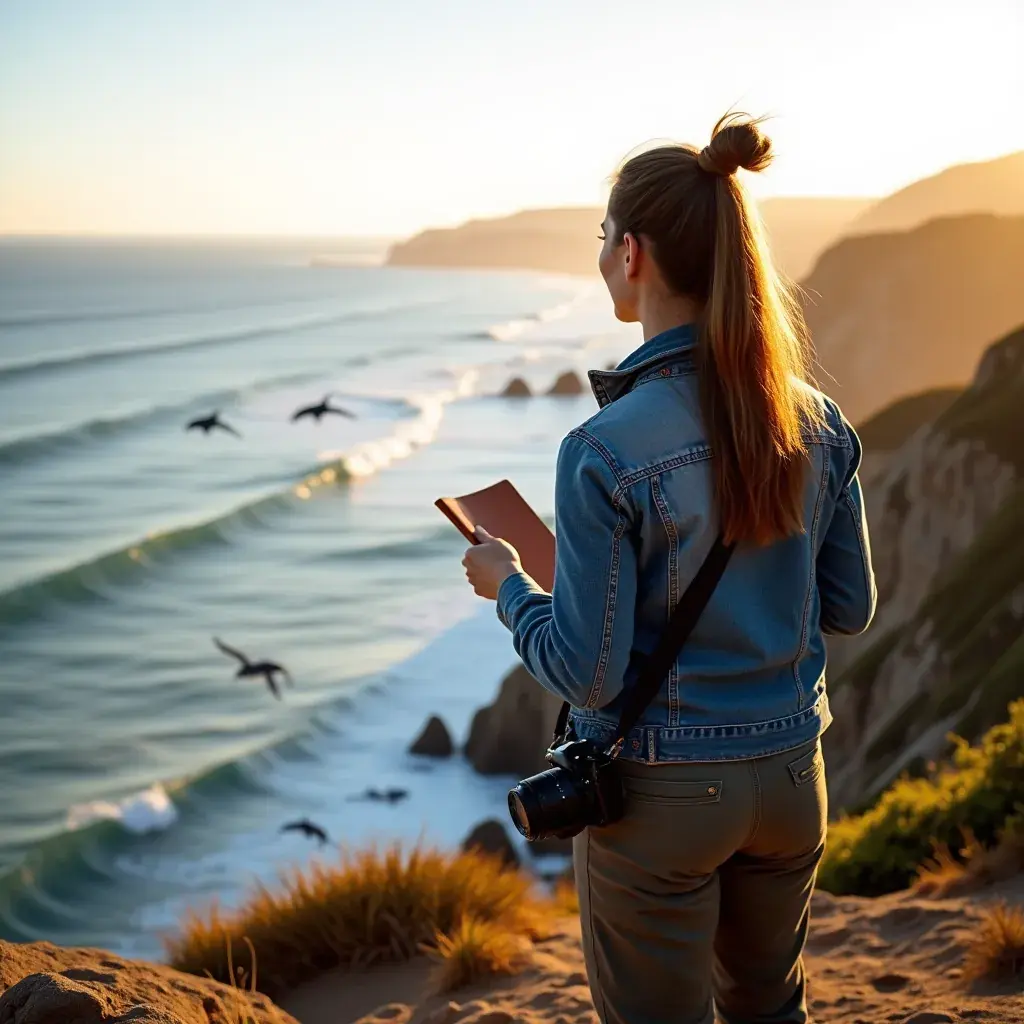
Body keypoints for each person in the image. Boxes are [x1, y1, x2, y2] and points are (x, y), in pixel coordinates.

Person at [462, 113, 876, 1024]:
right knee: (770, 1007)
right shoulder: (816, 420)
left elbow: (589, 671)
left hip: (664, 794)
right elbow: (848, 605)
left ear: (633, 252)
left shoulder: (603, 448)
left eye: (604, 236)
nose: (603, 253)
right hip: (791, 777)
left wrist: (512, 589)